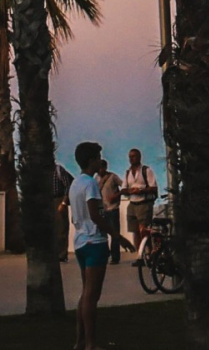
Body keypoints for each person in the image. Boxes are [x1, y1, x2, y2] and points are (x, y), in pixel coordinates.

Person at [69, 141, 109, 350]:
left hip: (80, 243)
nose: (100, 161)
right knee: (91, 296)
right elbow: (95, 215)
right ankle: (90, 344)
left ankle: (80, 342)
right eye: (98, 157)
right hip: (94, 242)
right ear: (91, 160)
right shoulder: (91, 184)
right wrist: (116, 235)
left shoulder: (75, 184)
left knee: (86, 294)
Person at [121, 148, 158, 258]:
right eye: (130, 157)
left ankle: (149, 253)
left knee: (144, 230)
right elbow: (123, 189)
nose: (131, 159)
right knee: (135, 231)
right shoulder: (128, 173)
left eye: (133, 156)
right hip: (132, 203)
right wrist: (129, 191)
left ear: (139, 157)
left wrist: (140, 190)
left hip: (144, 203)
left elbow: (153, 187)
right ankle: (139, 255)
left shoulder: (146, 170)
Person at [96, 158, 131, 264]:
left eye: (102, 167)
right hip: (102, 210)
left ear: (105, 167)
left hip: (112, 209)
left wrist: (116, 195)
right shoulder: (96, 178)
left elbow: (124, 187)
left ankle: (115, 257)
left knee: (114, 233)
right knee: (102, 234)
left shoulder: (113, 177)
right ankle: (105, 255)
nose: (100, 170)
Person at [53, 159, 74, 262]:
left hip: (59, 199)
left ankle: (62, 254)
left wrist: (64, 202)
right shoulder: (43, 172)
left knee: (61, 228)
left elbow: (68, 186)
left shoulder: (58, 169)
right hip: (48, 200)